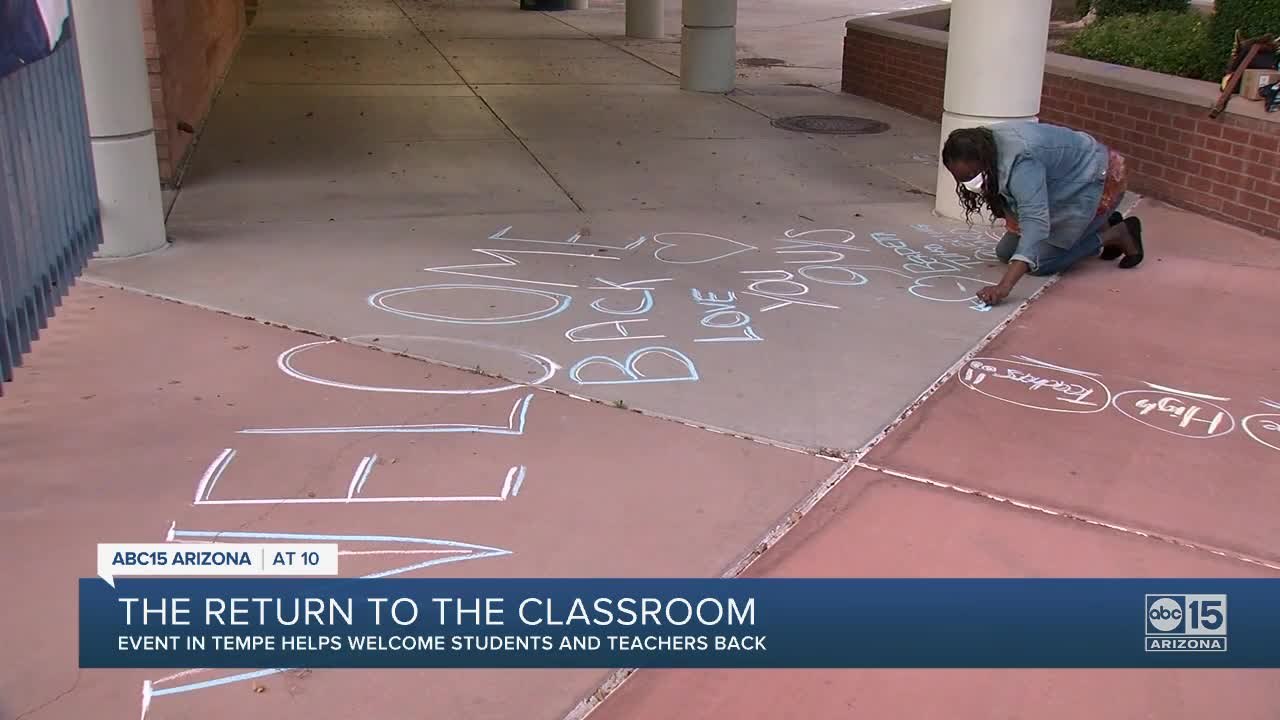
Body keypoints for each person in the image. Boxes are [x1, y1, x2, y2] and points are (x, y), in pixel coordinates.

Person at [941, 121, 1143, 306]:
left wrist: (1004, 287)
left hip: (1097, 179)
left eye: (971, 176)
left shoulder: (1022, 162)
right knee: (1006, 252)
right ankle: (1100, 222)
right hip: (1064, 185)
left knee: (1040, 263)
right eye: (961, 179)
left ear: (983, 160)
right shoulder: (982, 144)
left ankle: (1116, 233)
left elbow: (1035, 221)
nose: (968, 183)